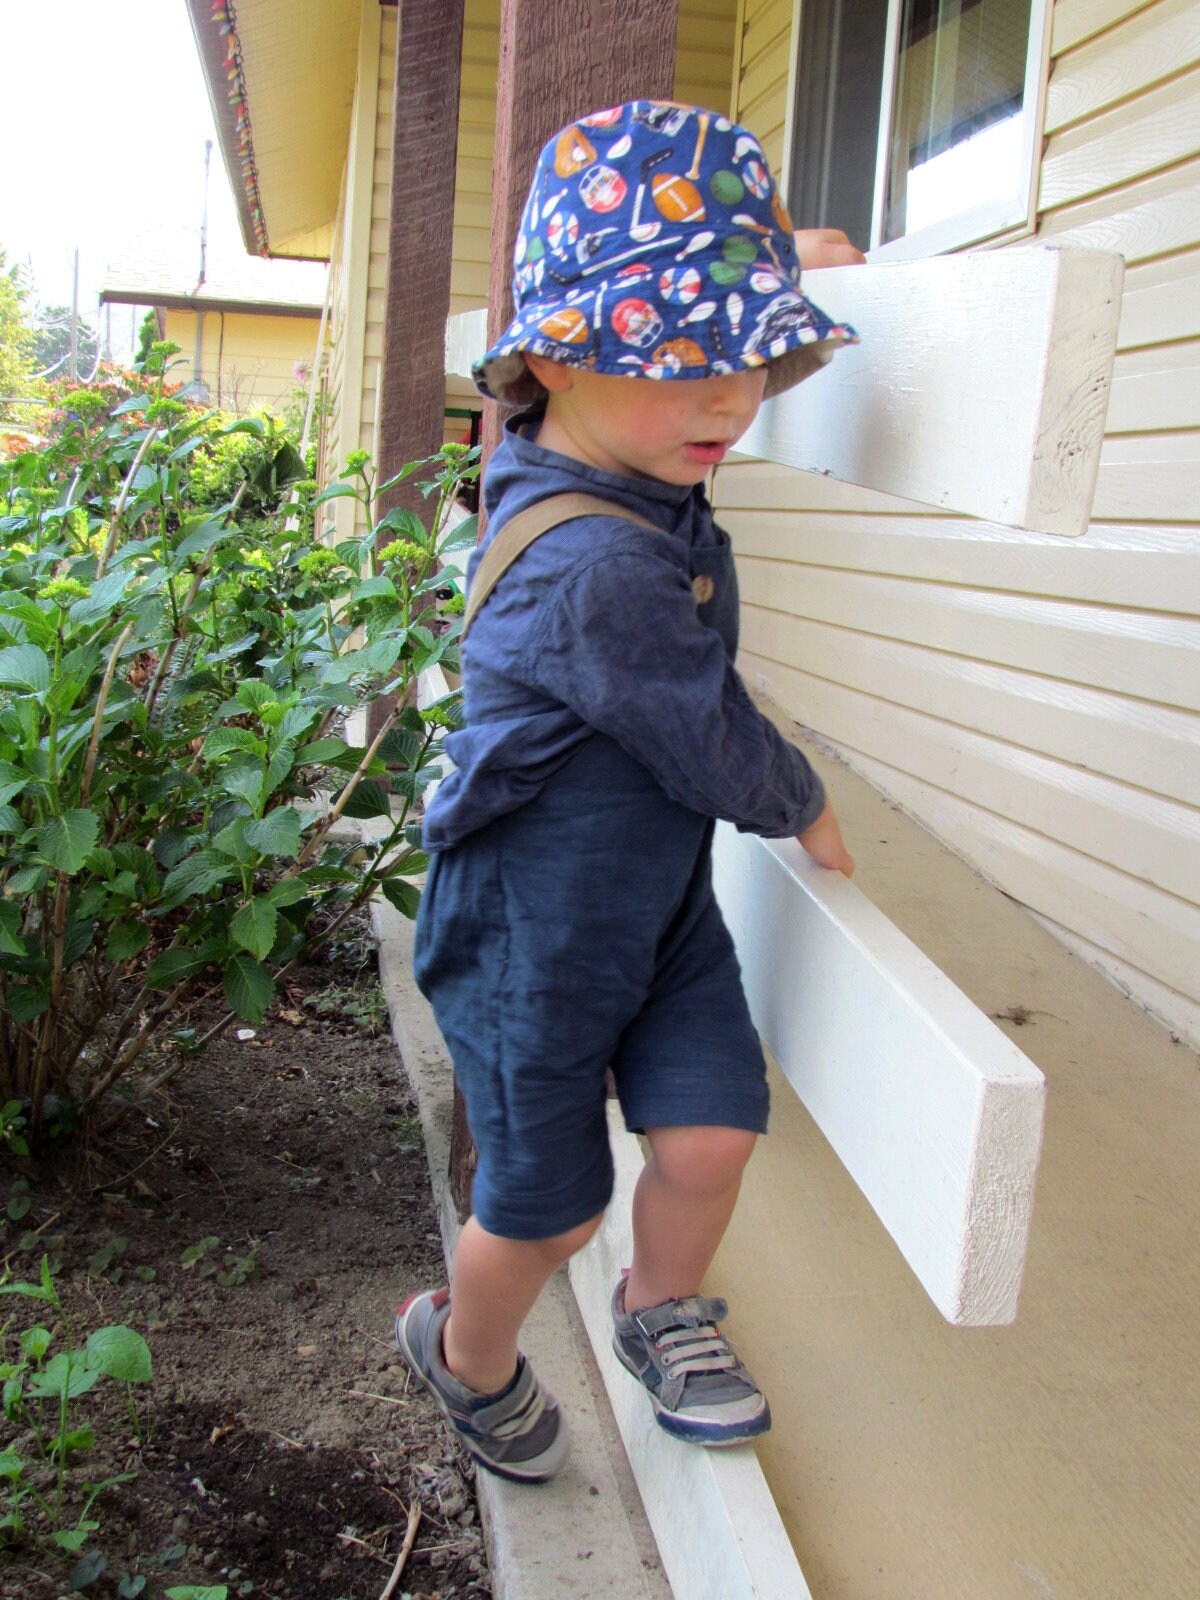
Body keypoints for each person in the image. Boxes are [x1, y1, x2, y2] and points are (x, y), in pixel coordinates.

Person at [396, 100, 862, 1484]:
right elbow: (703, 726)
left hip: (651, 905)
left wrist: (793, 267)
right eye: (684, 361)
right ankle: (464, 1351)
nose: (728, 399)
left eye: (758, 362)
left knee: (715, 1130)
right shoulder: (590, 566)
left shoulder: (616, 448)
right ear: (555, 359)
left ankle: (666, 1313)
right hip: (531, 932)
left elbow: (710, 339)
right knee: (548, 1212)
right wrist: (799, 799)